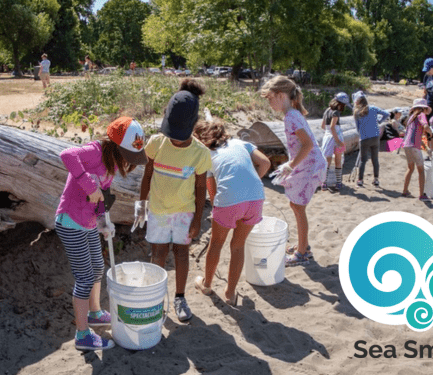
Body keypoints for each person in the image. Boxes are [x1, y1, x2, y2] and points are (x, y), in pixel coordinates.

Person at [55, 117, 148, 351]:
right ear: (117, 146)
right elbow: (67, 155)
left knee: (98, 267)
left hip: (87, 223)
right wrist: (89, 185)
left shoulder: (113, 163)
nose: (129, 162)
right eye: (128, 154)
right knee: (85, 278)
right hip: (70, 221)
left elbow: (102, 194)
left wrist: (102, 222)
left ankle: (95, 313)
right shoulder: (94, 151)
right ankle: (82, 335)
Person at [133, 79, 212, 322]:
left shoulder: (200, 153)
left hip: (184, 213)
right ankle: (157, 298)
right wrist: (141, 207)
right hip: (157, 211)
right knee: (157, 252)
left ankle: (179, 297)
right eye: (172, 134)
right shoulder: (157, 142)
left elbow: (201, 189)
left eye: (179, 135)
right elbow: (147, 176)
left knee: (181, 252)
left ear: (192, 125)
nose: (175, 140)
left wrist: (198, 219)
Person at [192, 120, 271, 306]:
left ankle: (207, 284)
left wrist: (218, 206)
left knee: (216, 243)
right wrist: (250, 183)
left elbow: (211, 191)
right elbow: (265, 162)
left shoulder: (207, 154)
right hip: (256, 197)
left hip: (229, 201)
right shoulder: (240, 143)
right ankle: (230, 293)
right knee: (238, 246)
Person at [260, 76, 327, 266]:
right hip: (306, 164)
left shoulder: (291, 116)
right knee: (295, 205)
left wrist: (290, 165)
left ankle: (303, 252)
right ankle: (303, 245)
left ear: (281, 95)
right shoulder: (293, 114)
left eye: (270, 98)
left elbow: (306, 145)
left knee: (298, 207)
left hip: (310, 165)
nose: (269, 102)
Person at [352, 91, 390, 187]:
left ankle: (360, 180)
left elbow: (357, 128)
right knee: (375, 159)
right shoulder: (373, 108)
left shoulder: (357, 112)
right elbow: (386, 113)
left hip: (364, 138)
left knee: (363, 160)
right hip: (375, 137)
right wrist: (379, 121)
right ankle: (376, 179)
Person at [401, 99, 432, 201]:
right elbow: (426, 126)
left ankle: (405, 191)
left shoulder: (411, 118)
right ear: (423, 108)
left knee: (410, 168)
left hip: (406, 145)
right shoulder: (421, 115)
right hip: (414, 146)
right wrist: (431, 133)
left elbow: (412, 135)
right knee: (421, 170)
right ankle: (422, 195)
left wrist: (425, 146)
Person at [320, 92, 349, 190]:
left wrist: (329, 133)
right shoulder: (336, 112)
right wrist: (339, 141)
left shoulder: (327, 111)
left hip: (327, 138)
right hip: (336, 138)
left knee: (327, 162)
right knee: (338, 161)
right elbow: (333, 126)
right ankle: (338, 183)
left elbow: (323, 126)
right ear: (341, 104)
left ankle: (324, 183)